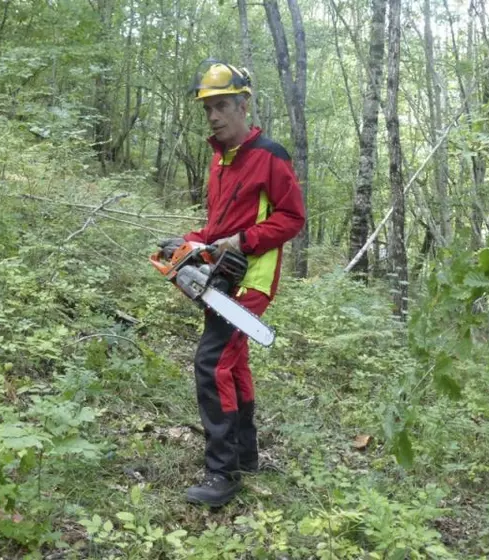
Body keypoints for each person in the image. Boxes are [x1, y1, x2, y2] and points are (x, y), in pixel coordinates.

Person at [158, 61, 305, 507]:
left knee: (212, 364)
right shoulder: (220, 160)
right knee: (232, 363)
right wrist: (189, 243)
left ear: (243, 105)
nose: (214, 117)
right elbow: (219, 225)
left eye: (222, 106)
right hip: (221, 276)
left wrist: (245, 240)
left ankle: (222, 474)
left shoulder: (270, 155)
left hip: (251, 278)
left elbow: (292, 218)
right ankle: (245, 455)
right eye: (208, 109)